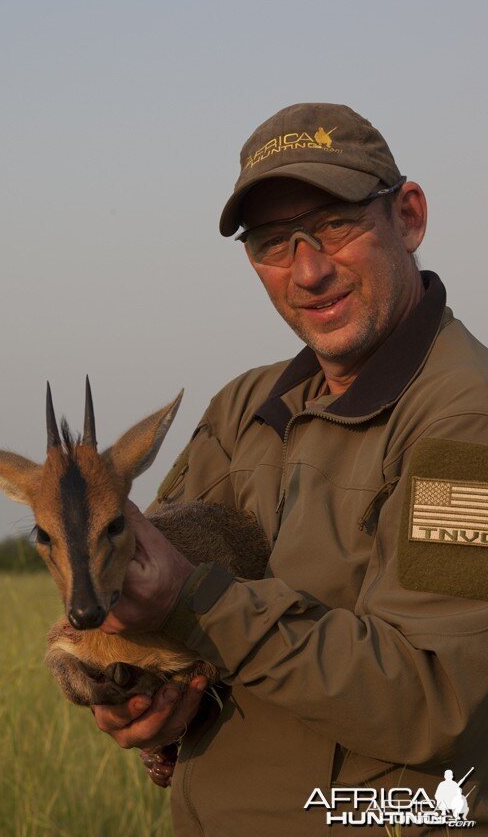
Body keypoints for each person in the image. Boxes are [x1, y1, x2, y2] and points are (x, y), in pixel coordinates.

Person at [92, 103, 488, 835]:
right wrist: (141, 686)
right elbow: (152, 581)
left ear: (408, 217)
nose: (307, 271)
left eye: (335, 225)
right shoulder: (242, 407)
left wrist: (198, 606)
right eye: (273, 243)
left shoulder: (465, 426)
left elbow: (436, 700)